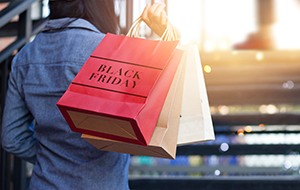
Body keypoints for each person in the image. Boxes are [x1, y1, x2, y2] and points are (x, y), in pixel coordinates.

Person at [1, 1, 172, 189]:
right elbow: (157, 112)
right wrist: (166, 35)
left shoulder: (25, 56)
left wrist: (50, 158)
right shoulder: (114, 51)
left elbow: (12, 138)